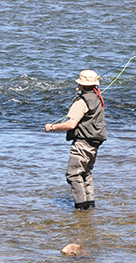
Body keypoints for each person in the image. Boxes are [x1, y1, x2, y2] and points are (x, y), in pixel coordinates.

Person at [44, 69, 106, 210]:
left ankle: (81, 208)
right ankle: (90, 205)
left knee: (73, 175)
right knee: (85, 174)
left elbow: (71, 124)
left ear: (82, 85)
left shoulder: (82, 101)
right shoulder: (97, 98)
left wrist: (52, 127)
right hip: (94, 143)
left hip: (83, 143)